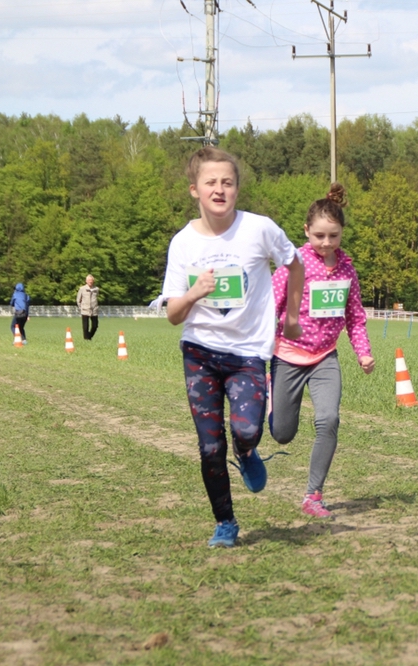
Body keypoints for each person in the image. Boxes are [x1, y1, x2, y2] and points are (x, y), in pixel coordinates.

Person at [161, 147, 305, 549]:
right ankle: (225, 522)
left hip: (247, 354)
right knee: (210, 447)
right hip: (200, 353)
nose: (219, 189)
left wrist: (292, 316)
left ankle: (246, 451)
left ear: (237, 188)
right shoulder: (183, 243)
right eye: (210, 182)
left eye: (227, 182)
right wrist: (194, 293)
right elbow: (173, 314)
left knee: (247, 430)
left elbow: (295, 265)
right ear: (195, 189)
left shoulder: (259, 229)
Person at [269, 182, 375, 519]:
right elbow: (269, 305)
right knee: (282, 433)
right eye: (319, 236)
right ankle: (272, 401)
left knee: (328, 419)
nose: (326, 242)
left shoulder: (347, 270)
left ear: (342, 232)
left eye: (334, 235)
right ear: (306, 231)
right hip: (287, 355)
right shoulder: (293, 264)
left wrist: (363, 352)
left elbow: (355, 317)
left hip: (325, 358)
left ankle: (313, 495)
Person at [76, 274, 100, 340]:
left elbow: (97, 297)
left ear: (93, 281)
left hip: (94, 310)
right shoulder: (82, 289)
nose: (90, 281)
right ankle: (86, 339)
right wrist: (81, 307)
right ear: (86, 281)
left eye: (91, 280)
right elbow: (78, 300)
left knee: (95, 326)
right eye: (89, 280)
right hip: (85, 309)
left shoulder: (96, 289)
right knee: (85, 327)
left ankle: (89, 336)